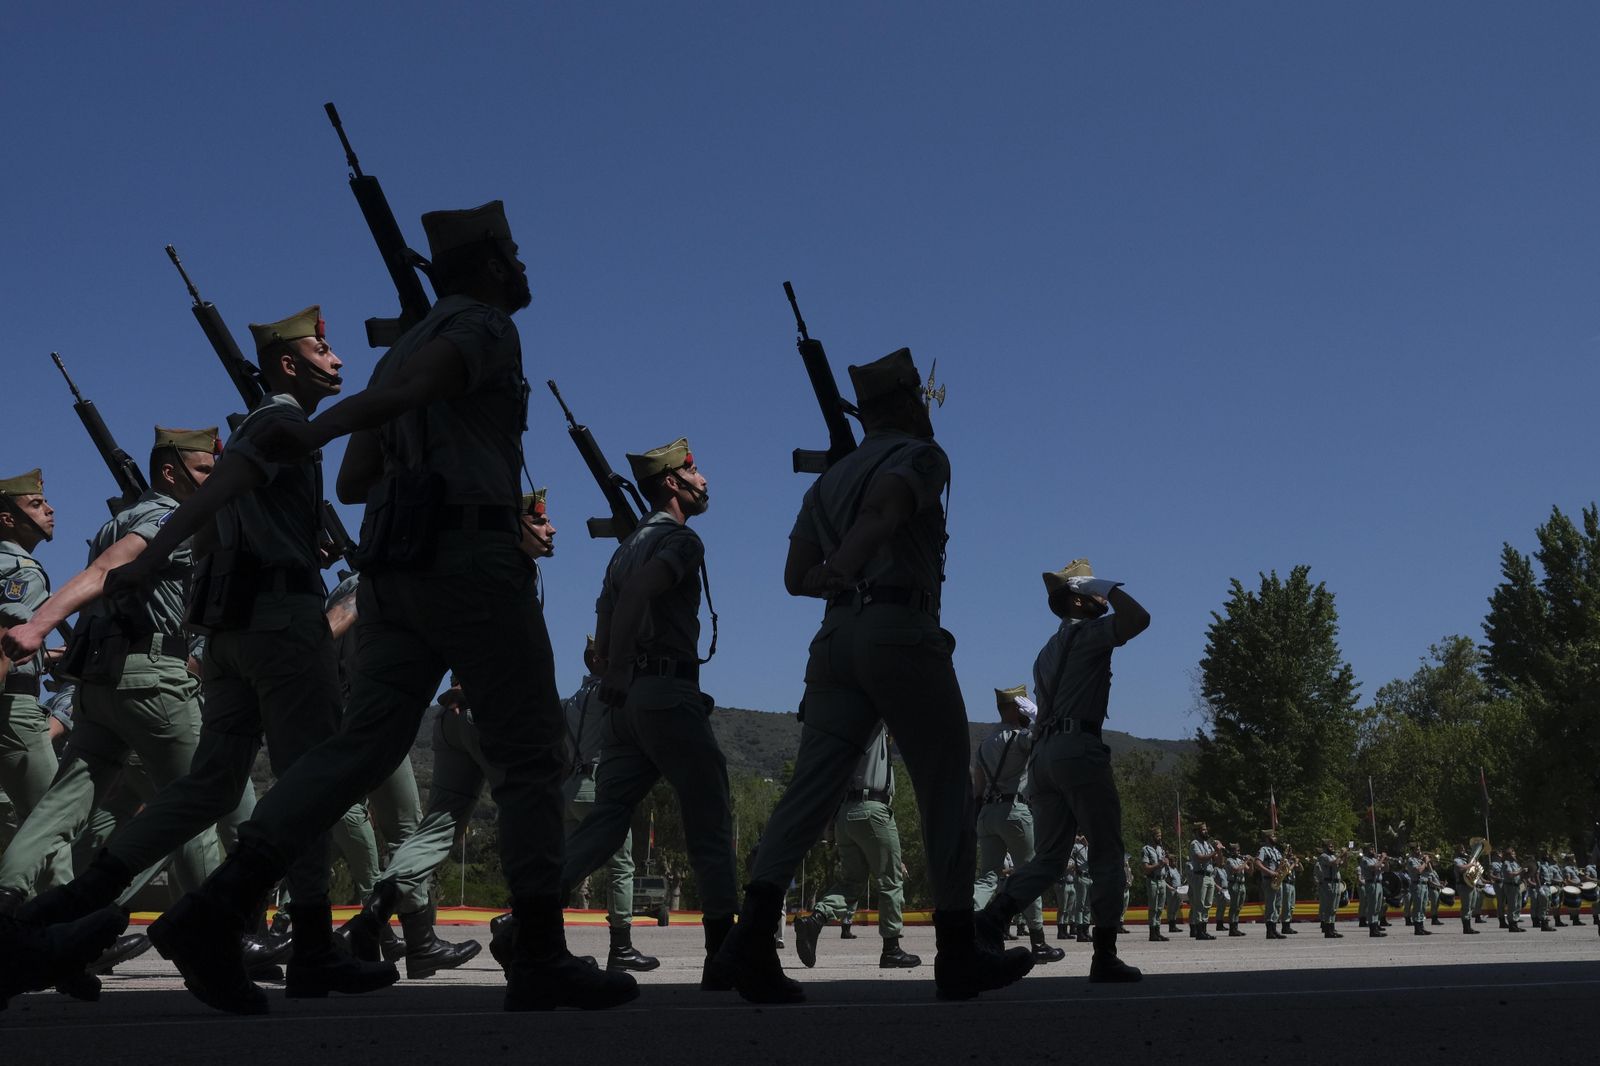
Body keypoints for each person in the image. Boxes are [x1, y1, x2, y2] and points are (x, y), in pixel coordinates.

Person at [141, 201, 637, 1014]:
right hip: (475, 564)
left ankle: (216, 906)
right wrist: (326, 430)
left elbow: (356, 482)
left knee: (360, 750)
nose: (523, 266)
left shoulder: (399, 349)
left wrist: (403, 438)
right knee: (531, 756)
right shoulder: (481, 327)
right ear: (485, 265)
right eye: (512, 253)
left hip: (396, 575)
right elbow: (395, 409)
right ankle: (543, 952)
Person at [14, 307, 407, 1011]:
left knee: (210, 787)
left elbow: (228, 504)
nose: (337, 357)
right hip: (282, 627)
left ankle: (71, 903)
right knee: (311, 781)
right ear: (289, 365)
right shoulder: (279, 424)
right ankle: (313, 943)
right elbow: (213, 497)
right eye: (323, 348)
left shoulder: (261, 433)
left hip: (229, 634)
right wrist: (399, 387)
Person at [718, 348, 1034, 1004]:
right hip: (899, 629)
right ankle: (957, 952)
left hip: (835, 638)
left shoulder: (828, 480)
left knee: (808, 792)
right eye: (921, 399)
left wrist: (836, 574)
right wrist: (855, 557)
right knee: (946, 787)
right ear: (908, 403)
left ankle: (751, 939)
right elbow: (887, 509)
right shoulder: (921, 457)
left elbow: (793, 578)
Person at [0, 428, 220, 912]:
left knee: (60, 807)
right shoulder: (169, 518)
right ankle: (222, 928)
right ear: (171, 472)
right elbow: (104, 572)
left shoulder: (118, 521)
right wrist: (39, 625)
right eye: (205, 469)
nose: (215, 478)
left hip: (100, 684)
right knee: (195, 802)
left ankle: (9, 896)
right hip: (154, 678)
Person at [555, 436, 736, 991]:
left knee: (608, 818)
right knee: (710, 816)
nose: (703, 478)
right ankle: (724, 954)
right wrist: (620, 671)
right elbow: (636, 594)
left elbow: (606, 619)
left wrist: (613, 672)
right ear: (672, 484)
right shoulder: (679, 541)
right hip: (665, 692)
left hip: (627, 705)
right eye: (694, 470)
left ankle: (531, 912)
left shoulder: (624, 547)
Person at [971, 557, 1150, 983]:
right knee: (1107, 851)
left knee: (1049, 859)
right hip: (1077, 750)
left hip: (1045, 757)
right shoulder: (1090, 634)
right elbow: (1139, 618)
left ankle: (992, 919)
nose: (1103, 600)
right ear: (1079, 598)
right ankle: (1104, 955)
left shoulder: (1045, 652)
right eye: (1095, 594)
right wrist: (1104, 583)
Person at [794, 722, 923, 969]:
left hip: (846, 813)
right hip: (874, 810)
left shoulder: (845, 732)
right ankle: (891, 949)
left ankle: (816, 920)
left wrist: (830, 826)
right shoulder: (874, 722)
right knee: (890, 882)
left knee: (851, 882)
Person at [0, 469, 73, 892]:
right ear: (7, 519)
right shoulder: (22, 570)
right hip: (13, 710)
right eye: (35, 505)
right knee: (50, 820)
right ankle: (61, 935)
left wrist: (46, 657)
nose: (50, 510)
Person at [969, 685, 1060, 963]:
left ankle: (967, 922)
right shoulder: (1019, 738)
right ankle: (1038, 940)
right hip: (1015, 811)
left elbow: (978, 788)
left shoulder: (984, 745)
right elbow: (1045, 737)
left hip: (987, 813)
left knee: (987, 877)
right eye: (1021, 707)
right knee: (1028, 873)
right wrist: (1037, 716)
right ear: (1012, 709)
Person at [1187, 820, 1217, 940]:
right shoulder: (1195, 844)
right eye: (1203, 830)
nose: (1206, 831)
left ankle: (1204, 930)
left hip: (1210, 876)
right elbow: (1201, 858)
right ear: (1197, 831)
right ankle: (1199, 931)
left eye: (1206, 829)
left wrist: (1219, 851)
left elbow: (1218, 861)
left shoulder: (1207, 844)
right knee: (1200, 904)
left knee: (1207, 905)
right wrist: (1215, 851)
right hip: (1200, 876)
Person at [1141, 825, 1170, 942]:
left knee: (1160, 908)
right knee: (1153, 907)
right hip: (1152, 880)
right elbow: (1146, 868)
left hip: (1162, 880)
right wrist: (1159, 864)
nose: (1160, 838)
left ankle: (1158, 931)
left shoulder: (1160, 849)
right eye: (1157, 836)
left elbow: (1163, 863)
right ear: (1153, 837)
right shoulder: (1146, 849)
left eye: (1160, 836)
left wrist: (1166, 863)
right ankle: (1152, 932)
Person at [1256, 829, 1284, 939]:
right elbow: (1257, 863)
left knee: (1277, 905)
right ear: (1268, 838)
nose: (1275, 838)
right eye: (1273, 836)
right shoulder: (1264, 849)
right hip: (1269, 880)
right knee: (1270, 905)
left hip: (1278, 880)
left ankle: (1274, 929)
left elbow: (1281, 863)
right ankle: (1269, 931)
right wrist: (1270, 872)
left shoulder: (1276, 851)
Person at [1357, 845, 1387, 938]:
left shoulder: (1375, 859)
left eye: (1373, 849)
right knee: (1372, 907)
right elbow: (1374, 867)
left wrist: (1386, 861)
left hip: (1378, 883)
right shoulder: (1365, 860)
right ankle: (1372, 929)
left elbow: (1385, 869)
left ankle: (1376, 927)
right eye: (1371, 849)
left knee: (1378, 907)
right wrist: (1382, 858)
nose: (1373, 850)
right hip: (1371, 884)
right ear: (1366, 850)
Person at [1278, 843, 1300, 933]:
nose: (1291, 852)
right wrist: (1294, 863)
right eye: (1289, 850)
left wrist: (1297, 862)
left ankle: (1288, 924)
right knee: (1286, 905)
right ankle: (1285, 926)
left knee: (1291, 906)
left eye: (1291, 850)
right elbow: (1287, 871)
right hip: (1286, 883)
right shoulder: (1284, 860)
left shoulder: (1291, 860)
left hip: (1292, 884)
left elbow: (1300, 869)